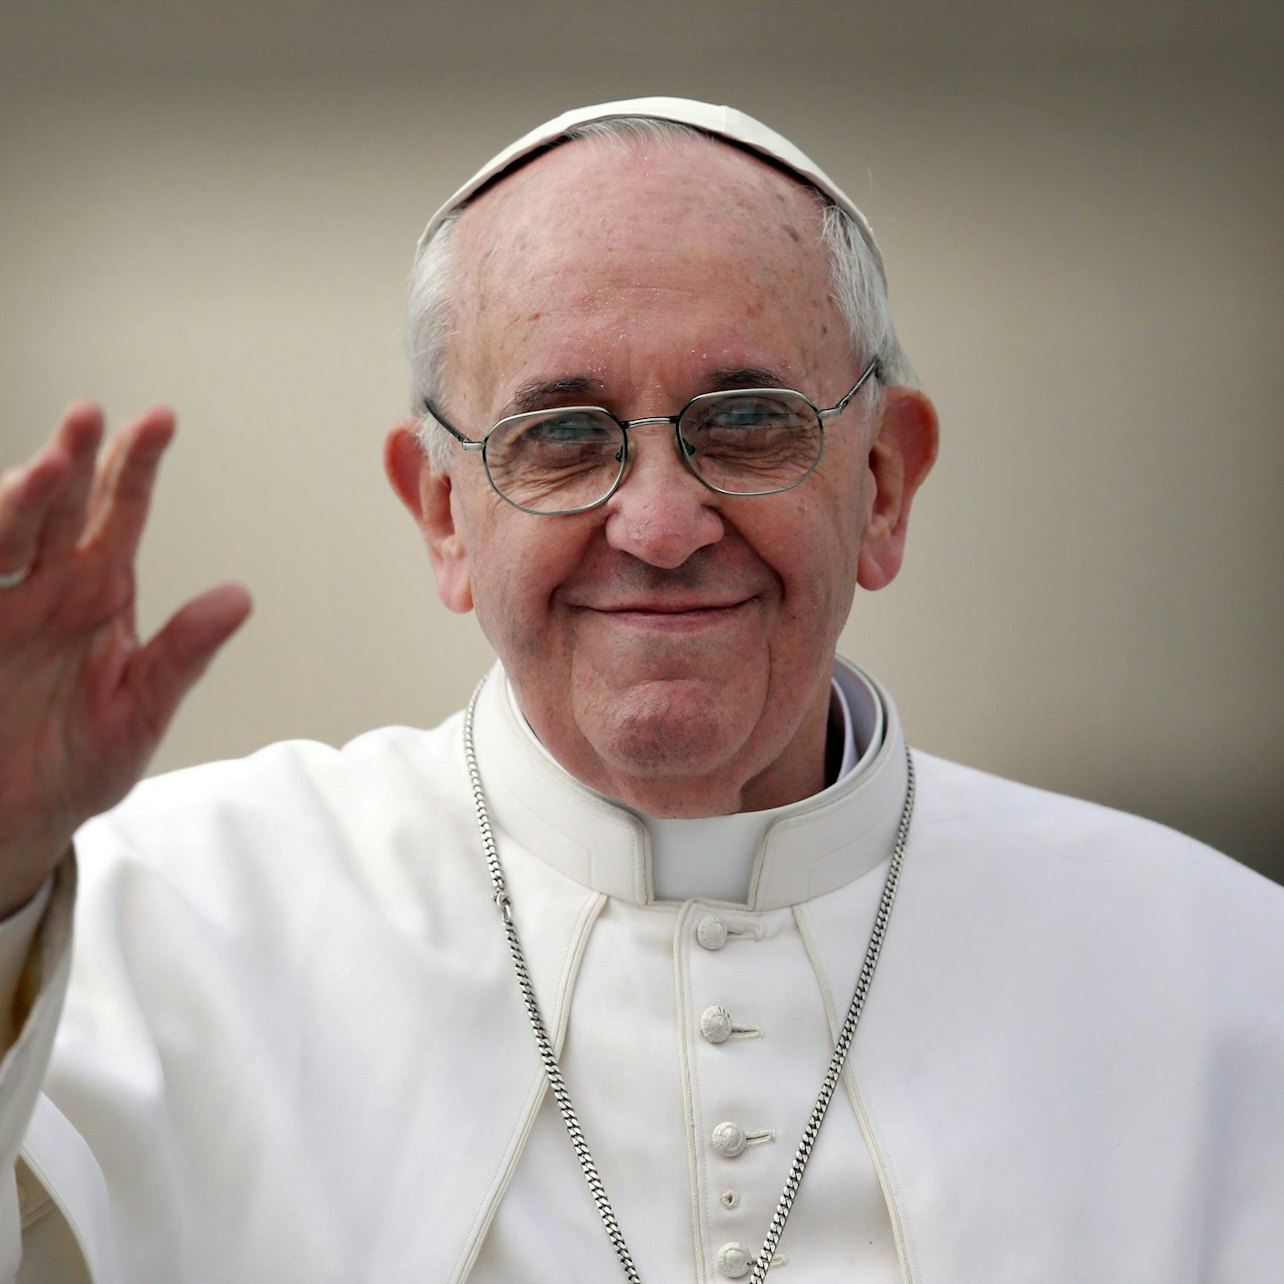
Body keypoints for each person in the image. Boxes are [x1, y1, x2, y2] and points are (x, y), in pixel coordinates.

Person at [0, 97, 1280, 1284]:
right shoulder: (153, 923)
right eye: (560, 437)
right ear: (444, 513)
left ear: (884, 484)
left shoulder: (1223, 979)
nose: (661, 525)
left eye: (747, 421)